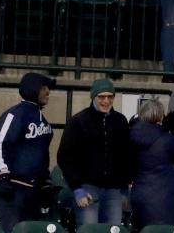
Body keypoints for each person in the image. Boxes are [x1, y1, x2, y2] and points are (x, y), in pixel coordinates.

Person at [56, 78, 132, 225]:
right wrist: (77, 188)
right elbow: (65, 157)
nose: (106, 101)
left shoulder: (120, 121)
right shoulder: (78, 121)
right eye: (101, 97)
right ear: (93, 97)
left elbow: (126, 155)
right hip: (87, 187)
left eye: (110, 97)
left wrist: (124, 185)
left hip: (114, 190)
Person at [0, 73, 54, 232]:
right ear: (32, 89)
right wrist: (3, 174)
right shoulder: (14, 114)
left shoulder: (42, 119)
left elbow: (42, 153)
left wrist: (45, 179)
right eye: (43, 88)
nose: (48, 92)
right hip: (14, 188)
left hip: (35, 190)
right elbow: (0, 144)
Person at [128, 99, 174, 229]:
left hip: (139, 192)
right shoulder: (166, 138)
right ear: (160, 115)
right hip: (164, 193)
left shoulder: (131, 134)